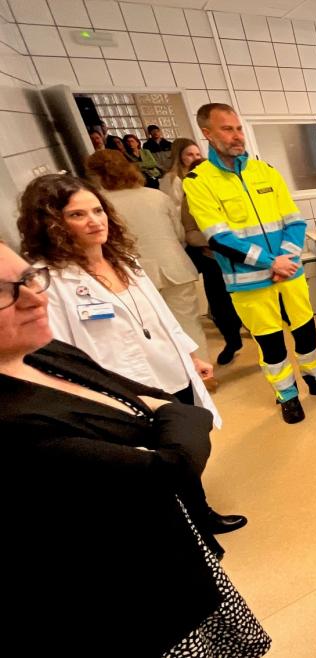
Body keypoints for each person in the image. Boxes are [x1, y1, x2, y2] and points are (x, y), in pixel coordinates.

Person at [0, 240, 271, 656]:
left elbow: (176, 410)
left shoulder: (45, 353)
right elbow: (172, 466)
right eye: (5, 291)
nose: (36, 297)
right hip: (132, 596)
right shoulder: (13, 422)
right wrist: (168, 419)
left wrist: (170, 414)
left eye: (29, 279)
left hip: (173, 554)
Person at [16, 173, 246, 538]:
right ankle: (184, 529)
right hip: (123, 387)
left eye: (97, 210)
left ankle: (201, 514)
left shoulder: (122, 260)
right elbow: (61, 354)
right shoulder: (49, 281)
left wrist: (190, 354)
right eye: (78, 215)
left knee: (183, 451)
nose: (95, 221)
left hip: (169, 371)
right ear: (52, 223)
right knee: (151, 463)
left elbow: (160, 315)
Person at [184, 102, 316, 423]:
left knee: (306, 331)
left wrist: (286, 258)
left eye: (238, 128)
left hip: (289, 273)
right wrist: (271, 264)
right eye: (227, 129)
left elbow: (294, 221)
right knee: (271, 343)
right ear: (207, 133)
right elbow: (219, 237)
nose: (236, 136)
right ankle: (286, 393)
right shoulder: (198, 180)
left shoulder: (265, 171)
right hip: (249, 282)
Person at [85, 149, 210, 367]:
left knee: (149, 330)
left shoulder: (99, 206)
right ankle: (204, 372)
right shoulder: (157, 196)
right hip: (175, 267)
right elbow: (180, 234)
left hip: (130, 275)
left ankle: (173, 375)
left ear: (95, 176)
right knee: (188, 323)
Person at [163, 138, 244, 365]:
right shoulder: (188, 199)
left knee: (245, 303)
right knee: (219, 305)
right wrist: (215, 239)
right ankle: (232, 340)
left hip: (238, 258)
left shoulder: (231, 195)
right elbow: (189, 232)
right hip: (212, 259)